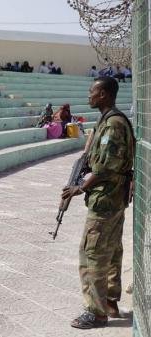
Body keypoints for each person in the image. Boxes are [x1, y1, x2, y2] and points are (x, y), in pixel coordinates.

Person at [63, 77, 134, 329]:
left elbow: (105, 165)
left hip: (106, 199)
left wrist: (80, 187)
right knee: (112, 249)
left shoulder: (113, 125)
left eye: (92, 92)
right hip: (113, 197)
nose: (89, 95)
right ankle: (110, 302)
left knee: (92, 253)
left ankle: (96, 311)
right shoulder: (107, 120)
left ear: (103, 94)